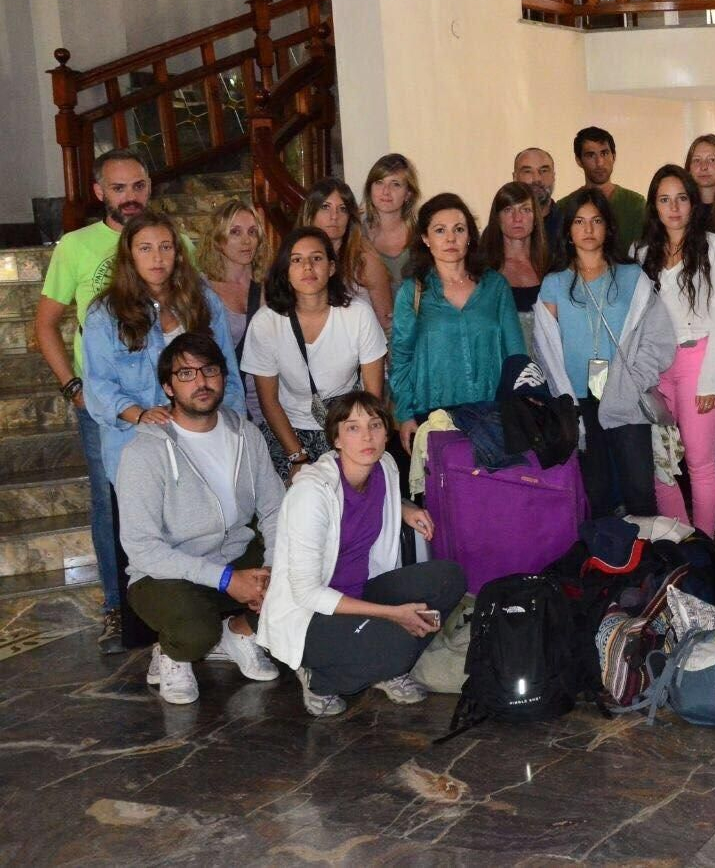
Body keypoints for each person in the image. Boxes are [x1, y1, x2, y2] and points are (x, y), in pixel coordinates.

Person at [257, 391, 465, 717]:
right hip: (314, 617)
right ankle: (320, 677)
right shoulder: (311, 493)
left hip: (362, 591)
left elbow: (369, 500)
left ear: (387, 432)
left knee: (449, 578)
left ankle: (382, 656)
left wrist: (405, 508)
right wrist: (392, 614)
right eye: (352, 428)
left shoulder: (384, 466)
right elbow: (307, 592)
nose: (367, 436)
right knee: (399, 638)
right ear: (336, 439)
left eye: (375, 425)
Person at [117, 333, 284, 704]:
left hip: (235, 553)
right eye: (186, 374)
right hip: (164, 572)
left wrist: (271, 569)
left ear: (223, 377)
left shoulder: (245, 433)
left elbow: (275, 508)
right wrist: (226, 580)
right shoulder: (145, 451)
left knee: (305, 571)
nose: (201, 382)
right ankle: (175, 654)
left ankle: (238, 632)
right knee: (195, 631)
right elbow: (143, 549)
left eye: (209, 370)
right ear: (168, 387)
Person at [36, 148, 154, 651]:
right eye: (120, 188)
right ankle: (115, 606)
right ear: (100, 192)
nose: (131, 197)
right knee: (109, 503)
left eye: (139, 186)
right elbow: (44, 324)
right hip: (103, 403)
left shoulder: (172, 240)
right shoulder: (77, 246)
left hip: (164, 397)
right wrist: (73, 387)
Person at [539, 190, 676, 518]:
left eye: (596, 221)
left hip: (625, 394)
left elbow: (657, 336)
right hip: (578, 398)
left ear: (608, 228)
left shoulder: (631, 276)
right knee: (596, 492)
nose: (588, 229)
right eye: (579, 221)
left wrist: (636, 378)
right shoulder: (555, 282)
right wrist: (562, 399)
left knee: (639, 489)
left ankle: (648, 563)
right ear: (568, 231)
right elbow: (546, 347)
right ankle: (608, 563)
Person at [83, 212, 245, 485]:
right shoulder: (104, 314)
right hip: (137, 446)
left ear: (178, 253)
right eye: (145, 248)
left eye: (165, 247)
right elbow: (98, 386)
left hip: (204, 442)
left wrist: (231, 429)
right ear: (129, 256)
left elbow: (227, 375)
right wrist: (141, 414)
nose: (157, 258)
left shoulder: (203, 301)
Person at [637, 165, 715, 533]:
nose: (674, 207)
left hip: (699, 362)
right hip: (656, 368)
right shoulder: (642, 253)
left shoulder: (714, 246)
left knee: (699, 463)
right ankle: (679, 541)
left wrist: (714, 380)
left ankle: (707, 544)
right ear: (655, 206)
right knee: (661, 464)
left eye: (681, 198)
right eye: (664, 200)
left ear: (693, 203)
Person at [241, 227, 388, 481]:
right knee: (299, 502)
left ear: (331, 268)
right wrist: (297, 456)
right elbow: (269, 402)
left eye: (316, 258)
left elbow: (372, 396)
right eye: (296, 260)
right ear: (286, 271)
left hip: (349, 424)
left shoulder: (358, 314)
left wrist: (356, 440)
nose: (307, 267)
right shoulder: (266, 323)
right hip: (291, 431)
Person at [392, 193, 526, 455]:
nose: (451, 238)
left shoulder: (495, 286)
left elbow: (517, 353)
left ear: (470, 237)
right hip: (434, 415)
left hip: (493, 413)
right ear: (426, 239)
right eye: (440, 230)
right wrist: (405, 414)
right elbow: (401, 358)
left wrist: (520, 407)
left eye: (459, 229)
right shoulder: (413, 292)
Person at [197, 199, 266, 423]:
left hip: (272, 403)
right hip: (224, 406)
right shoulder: (200, 292)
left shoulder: (271, 286)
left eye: (253, 231)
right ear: (218, 239)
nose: (246, 240)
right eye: (235, 232)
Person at [300, 178, 394, 332]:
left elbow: (387, 325)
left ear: (350, 216)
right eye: (325, 207)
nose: (334, 216)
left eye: (342, 209)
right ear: (311, 213)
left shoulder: (365, 260)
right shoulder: (294, 259)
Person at [482, 181, 552, 355]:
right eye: (508, 210)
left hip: (546, 371)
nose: (517, 218)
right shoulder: (483, 271)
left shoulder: (552, 268)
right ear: (497, 218)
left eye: (525, 210)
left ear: (536, 217)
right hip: (501, 369)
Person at [556, 127, 647, 251]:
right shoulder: (564, 206)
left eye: (604, 153)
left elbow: (644, 252)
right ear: (579, 161)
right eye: (590, 155)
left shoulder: (635, 204)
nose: (599, 162)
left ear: (613, 156)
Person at [361, 154, 422, 290]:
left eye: (395, 184)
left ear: (408, 194)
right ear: (369, 188)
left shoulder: (422, 235)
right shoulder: (355, 232)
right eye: (379, 182)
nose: (386, 191)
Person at [513, 146, 564, 263]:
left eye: (544, 171)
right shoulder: (501, 227)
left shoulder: (569, 225)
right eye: (527, 171)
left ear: (554, 176)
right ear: (515, 177)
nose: (537, 179)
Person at [685, 134, 715, 227]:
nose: (704, 167)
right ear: (689, 167)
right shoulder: (681, 209)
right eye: (697, 160)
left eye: (712, 160)